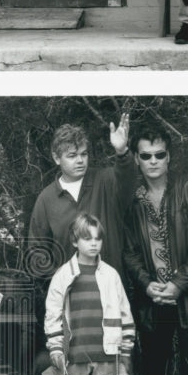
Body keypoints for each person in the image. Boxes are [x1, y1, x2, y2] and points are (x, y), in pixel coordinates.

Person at [123, 126, 188, 375]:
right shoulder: (131, 200)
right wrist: (145, 284)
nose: (152, 161)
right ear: (136, 159)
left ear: (169, 157)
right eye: (145, 156)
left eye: (159, 154)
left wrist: (178, 285)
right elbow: (128, 250)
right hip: (152, 300)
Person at [27, 114, 132, 285]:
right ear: (56, 158)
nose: (80, 160)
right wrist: (60, 280)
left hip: (112, 289)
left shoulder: (105, 180)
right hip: (70, 298)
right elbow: (36, 252)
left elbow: (128, 182)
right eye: (72, 155)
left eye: (84, 154)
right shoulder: (46, 199)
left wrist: (122, 152)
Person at [44, 213, 135, 375]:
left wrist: (125, 352)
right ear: (75, 242)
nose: (94, 243)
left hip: (107, 358)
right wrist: (56, 348)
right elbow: (52, 315)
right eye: (87, 239)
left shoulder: (111, 275)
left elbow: (126, 315)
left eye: (97, 238)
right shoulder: (62, 276)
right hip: (74, 359)